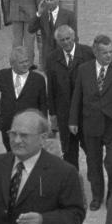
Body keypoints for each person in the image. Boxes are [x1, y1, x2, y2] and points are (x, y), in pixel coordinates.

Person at [69, 34, 112, 210]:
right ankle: (97, 196)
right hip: (91, 123)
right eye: (104, 52)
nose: (108, 56)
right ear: (95, 52)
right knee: (93, 163)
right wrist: (73, 120)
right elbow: (77, 95)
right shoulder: (84, 69)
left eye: (110, 51)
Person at [45, 25, 93, 170]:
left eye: (68, 39)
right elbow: (51, 88)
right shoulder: (52, 58)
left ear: (74, 37)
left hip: (85, 113)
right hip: (64, 114)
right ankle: (73, 182)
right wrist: (52, 113)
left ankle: (95, 180)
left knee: (91, 151)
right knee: (69, 153)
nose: (66, 42)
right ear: (58, 42)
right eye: (62, 40)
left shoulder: (87, 53)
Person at [0, 46, 48, 152]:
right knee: (10, 153)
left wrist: (43, 126)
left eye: (27, 61)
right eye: (21, 62)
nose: (25, 64)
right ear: (12, 64)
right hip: (8, 126)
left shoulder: (38, 79)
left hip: (30, 128)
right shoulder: (2, 75)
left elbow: (43, 104)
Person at [29, 0, 76, 75]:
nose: (49, 2)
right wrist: (38, 13)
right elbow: (31, 29)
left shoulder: (68, 15)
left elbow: (75, 38)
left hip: (63, 56)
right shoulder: (42, 14)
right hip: (48, 57)